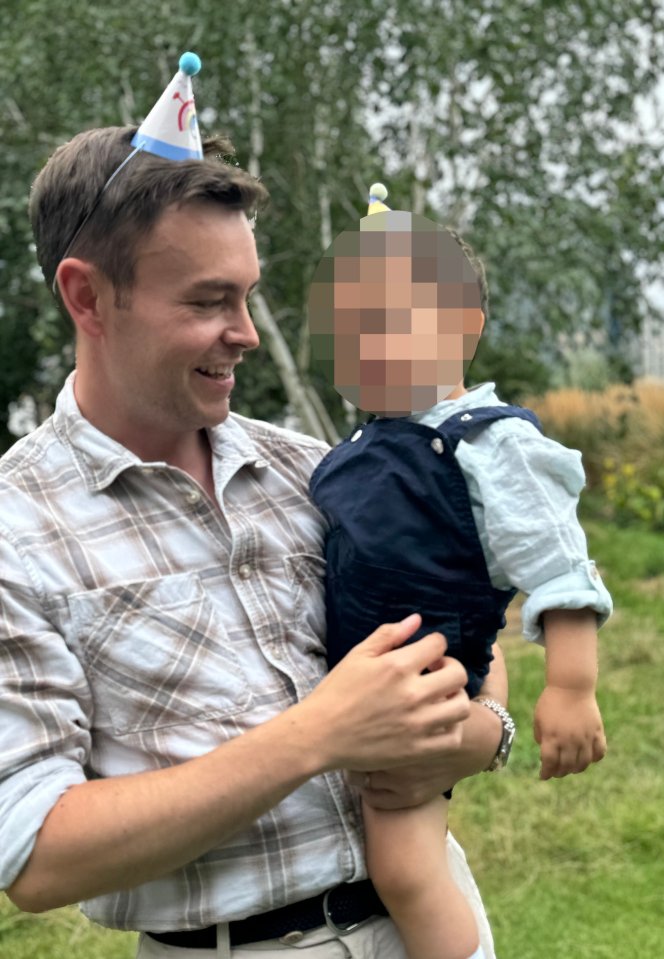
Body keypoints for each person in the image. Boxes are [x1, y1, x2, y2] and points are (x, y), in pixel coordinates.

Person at [0, 66, 508, 959]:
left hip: (434, 917)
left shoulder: (315, 471)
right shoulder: (17, 529)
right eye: (207, 301)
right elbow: (34, 850)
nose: (244, 330)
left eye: (248, 293)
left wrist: (482, 731)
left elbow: (474, 636)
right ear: (86, 297)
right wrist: (317, 735)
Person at [307, 185, 613, 959]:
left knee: (405, 867)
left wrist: (572, 686)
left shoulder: (490, 444)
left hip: (424, 688)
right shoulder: (364, 444)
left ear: (461, 328)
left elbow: (559, 565)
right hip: (363, 682)